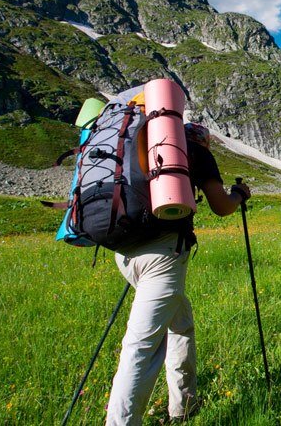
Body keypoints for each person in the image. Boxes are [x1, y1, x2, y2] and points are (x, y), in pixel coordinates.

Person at [106, 123, 251, 425]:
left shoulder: (141, 148)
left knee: (180, 324)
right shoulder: (194, 150)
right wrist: (238, 194)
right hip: (163, 256)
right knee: (140, 348)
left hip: (123, 250)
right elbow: (221, 206)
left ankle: (184, 406)